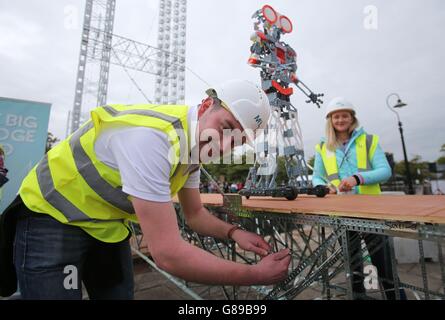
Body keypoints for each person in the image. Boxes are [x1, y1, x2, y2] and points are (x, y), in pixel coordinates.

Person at [1, 79, 291, 299]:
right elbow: (168, 253)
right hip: (52, 216)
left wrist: (234, 232)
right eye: (225, 127)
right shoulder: (152, 139)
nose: (224, 146)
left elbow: (195, 214)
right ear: (205, 106)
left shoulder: (192, 144)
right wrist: (254, 275)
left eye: (238, 141)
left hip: (105, 225)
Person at [312, 97, 406, 300]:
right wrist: (325, 187)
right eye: (336, 116)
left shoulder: (369, 140)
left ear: (352, 118)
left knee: (384, 266)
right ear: (330, 120)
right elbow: (317, 177)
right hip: (342, 212)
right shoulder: (322, 146)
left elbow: (385, 171)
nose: (340, 119)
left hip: (370, 211)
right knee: (353, 268)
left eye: (344, 115)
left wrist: (358, 178)